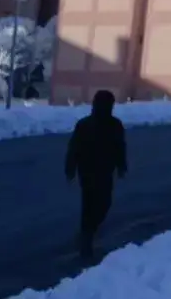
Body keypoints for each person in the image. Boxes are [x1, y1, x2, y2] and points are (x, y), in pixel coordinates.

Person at [65, 89, 128, 261]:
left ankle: (88, 232)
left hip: (105, 171)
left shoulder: (115, 125)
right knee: (91, 205)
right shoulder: (85, 125)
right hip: (88, 171)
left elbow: (120, 147)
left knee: (102, 205)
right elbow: (74, 149)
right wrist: (70, 168)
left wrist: (121, 166)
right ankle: (86, 240)